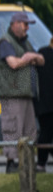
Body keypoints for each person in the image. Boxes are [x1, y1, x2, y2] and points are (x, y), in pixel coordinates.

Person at [0, 12, 45, 173]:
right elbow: (13, 63)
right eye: (25, 24)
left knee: (29, 130)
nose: (27, 28)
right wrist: (28, 58)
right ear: (15, 24)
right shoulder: (5, 42)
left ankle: (27, 163)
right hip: (11, 94)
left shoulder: (25, 43)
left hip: (26, 93)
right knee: (13, 128)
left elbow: (41, 60)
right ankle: (12, 163)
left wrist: (31, 56)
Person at [36, 36, 53, 172]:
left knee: (46, 133)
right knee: (46, 134)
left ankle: (41, 163)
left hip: (43, 102)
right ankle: (41, 163)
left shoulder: (42, 52)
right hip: (47, 102)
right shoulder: (43, 53)